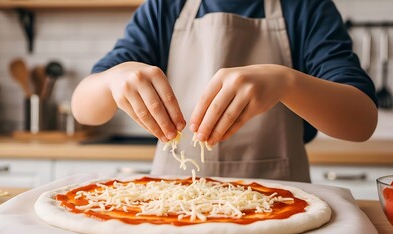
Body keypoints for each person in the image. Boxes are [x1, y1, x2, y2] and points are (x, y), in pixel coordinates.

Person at [71, 0, 378, 182]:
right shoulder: (165, 7)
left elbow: (362, 122)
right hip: (174, 211)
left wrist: (286, 82)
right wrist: (111, 80)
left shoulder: (306, 7)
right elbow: (82, 109)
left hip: (285, 204)